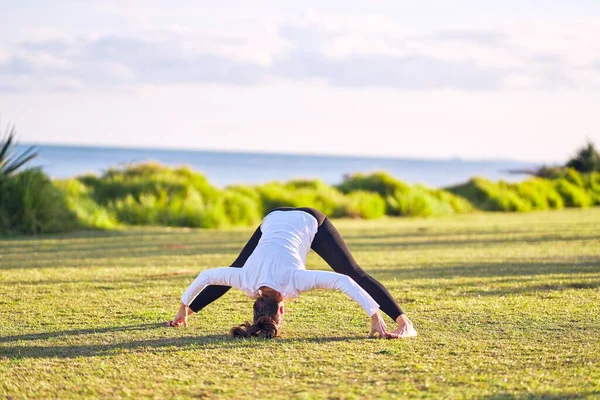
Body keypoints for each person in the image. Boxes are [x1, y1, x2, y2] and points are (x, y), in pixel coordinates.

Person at [167, 207, 417, 339]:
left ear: (282, 308)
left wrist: (374, 314)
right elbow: (206, 276)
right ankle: (187, 314)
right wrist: (183, 306)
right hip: (273, 218)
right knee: (234, 267)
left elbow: (344, 280)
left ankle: (406, 325)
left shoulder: (294, 281)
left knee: (353, 271)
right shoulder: (244, 279)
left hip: (310, 219)